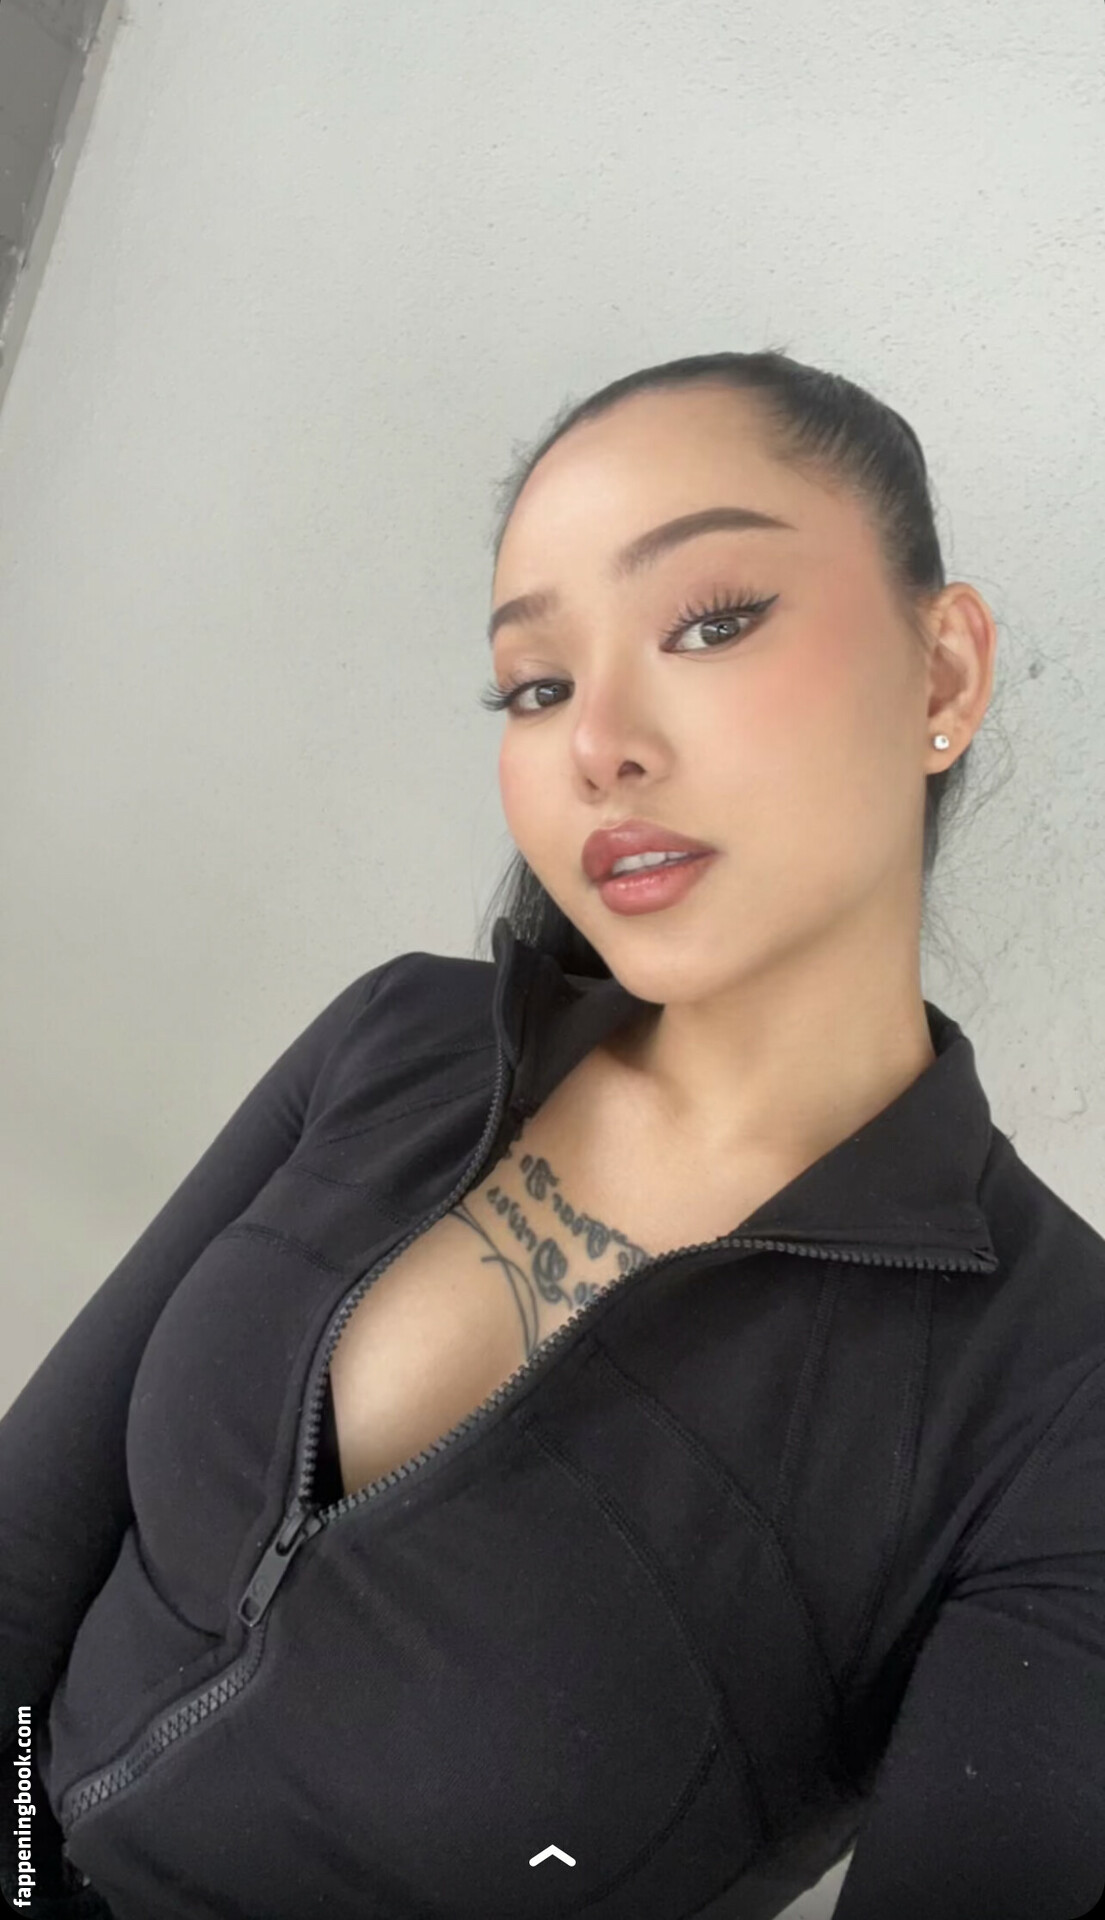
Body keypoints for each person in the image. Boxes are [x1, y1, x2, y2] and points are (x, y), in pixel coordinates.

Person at [2, 350, 1103, 1920]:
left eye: (708, 622)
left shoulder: (1058, 1395)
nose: (597, 743)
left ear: (939, 677)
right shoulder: (401, 1037)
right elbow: (31, 1534)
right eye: (535, 684)